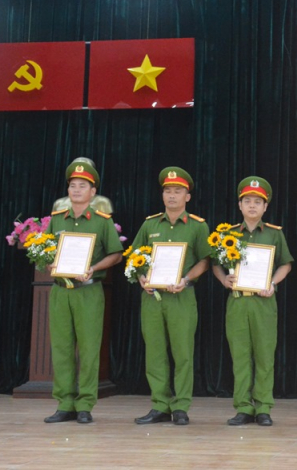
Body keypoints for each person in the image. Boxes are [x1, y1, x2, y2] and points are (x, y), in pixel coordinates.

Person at [44, 160, 123, 424]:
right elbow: (43, 252)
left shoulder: (102, 222)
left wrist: (94, 267)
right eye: (72, 185)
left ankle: (85, 404)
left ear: (93, 192)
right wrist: (49, 262)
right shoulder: (56, 221)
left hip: (89, 291)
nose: (76, 190)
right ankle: (65, 402)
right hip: (60, 291)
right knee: (62, 347)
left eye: (83, 186)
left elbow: (116, 254)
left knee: (89, 349)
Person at [131, 167, 212, 426]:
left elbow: (205, 261)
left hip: (181, 297)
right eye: (168, 191)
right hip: (152, 297)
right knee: (155, 352)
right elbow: (134, 257)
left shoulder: (198, 226)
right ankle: (159, 405)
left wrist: (187, 279)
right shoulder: (149, 224)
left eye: (178, 191)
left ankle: (180, 407)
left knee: (182, 353)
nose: (172, 196)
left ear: (187, 196)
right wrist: (141, 276)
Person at [213, 177, 294, 427]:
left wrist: (273, 283)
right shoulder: (227, 234)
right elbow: (215, 263)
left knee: (264, 355)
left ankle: (263, 407)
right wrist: (223, 279)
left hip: (263, 302)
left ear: (265, 207)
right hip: (238, 301)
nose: (252, 206)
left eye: (257, 202)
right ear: (240, 205)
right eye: (247, 201)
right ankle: (243, 407)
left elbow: (286, 264)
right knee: (240, 356)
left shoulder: (274, 233)